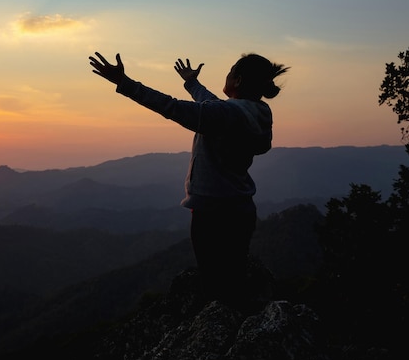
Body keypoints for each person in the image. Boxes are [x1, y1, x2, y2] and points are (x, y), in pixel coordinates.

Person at [89, 51, 289, 304]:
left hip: (213, 213)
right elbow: (213, 106)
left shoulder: (224, 115)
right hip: (240, 208)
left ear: (237, 80)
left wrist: (125, 83)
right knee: (234, 275)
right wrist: (192, 83)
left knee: (217, 285)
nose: (225, 75)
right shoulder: (254, 113)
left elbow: (171, 107)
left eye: (229, 71)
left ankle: (221, 331)